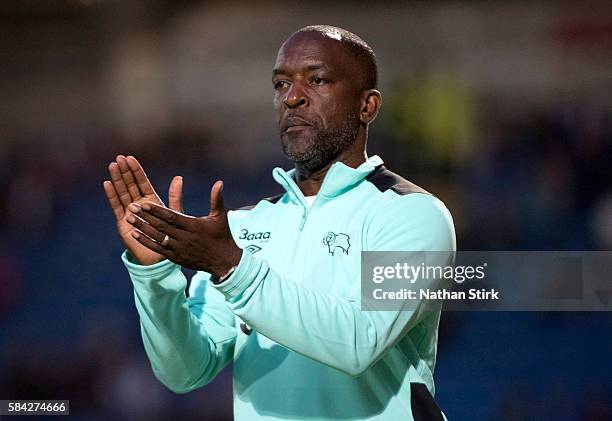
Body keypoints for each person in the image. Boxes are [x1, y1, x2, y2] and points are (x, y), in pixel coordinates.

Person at [103, 25, 456, 420]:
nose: (292, 97)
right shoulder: (242, 227)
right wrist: (156, 280)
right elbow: (184, 371)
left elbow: (360, 341)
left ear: (367, 106)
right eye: (280, 84)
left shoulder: (413, 215)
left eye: (317, 80)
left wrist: (232, 268)